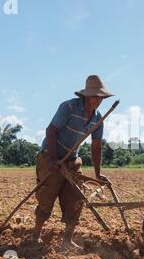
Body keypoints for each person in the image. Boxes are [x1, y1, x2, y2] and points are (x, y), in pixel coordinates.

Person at [32, 75, 114, 249]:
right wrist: (53, 159)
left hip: (71, 160)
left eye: (100, 97)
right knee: (46, 198)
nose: (98, 101)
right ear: (85, 96)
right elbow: (51, 131)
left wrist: (98, 174)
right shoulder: (68, 107)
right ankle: (35, 236)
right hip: (51, 156)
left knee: (75, 200)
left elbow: (96, 146)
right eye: (94, 96)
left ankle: (67, 241)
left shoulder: (97, 119)